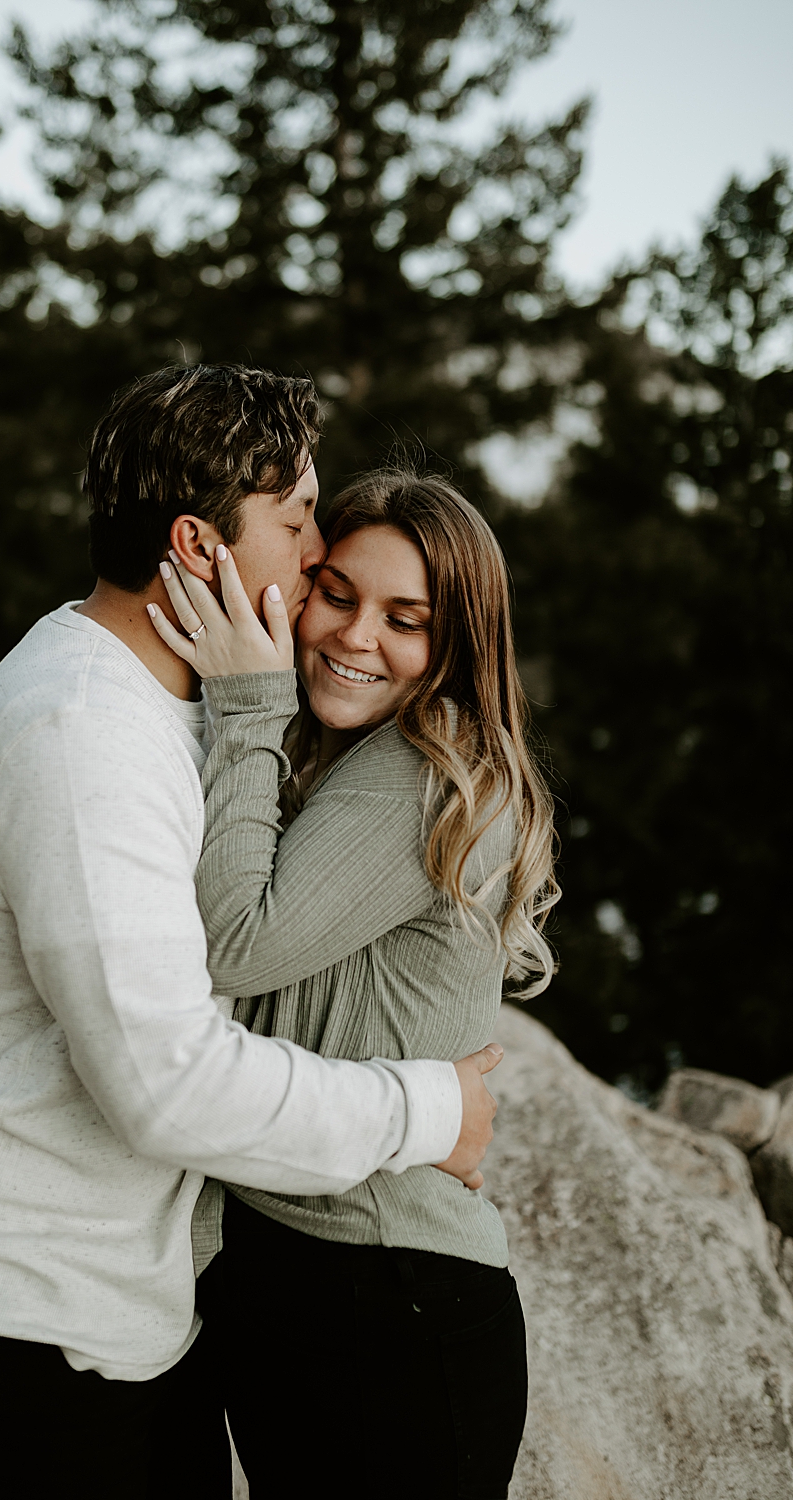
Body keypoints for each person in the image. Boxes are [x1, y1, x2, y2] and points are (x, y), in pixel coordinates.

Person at [0, 364, 507, 1498]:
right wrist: (429, 1106)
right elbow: (167, 1085)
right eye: (299, 522)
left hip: (102, 1318)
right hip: (14, 1325)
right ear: (201, 547)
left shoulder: (163, 704)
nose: (314, 556)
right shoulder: (83, 737)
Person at [147, 467, 554, 1498]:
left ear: (455, 646)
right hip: (295, 1277)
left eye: (404, 618)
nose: (353, 636)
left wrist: (243, 701)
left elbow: (232, 942)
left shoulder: (430, 763)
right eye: (337, 592)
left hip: (389, 1297)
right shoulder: (333, 754)